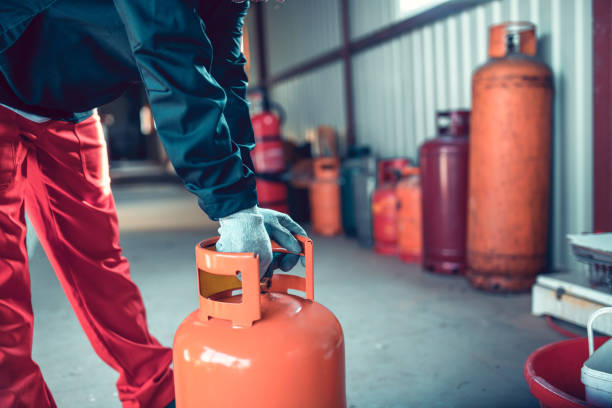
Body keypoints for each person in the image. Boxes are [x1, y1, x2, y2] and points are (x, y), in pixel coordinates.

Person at [0, 1, 306, 407]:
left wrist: (245, 199)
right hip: (7, 69)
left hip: (69, 107)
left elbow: (224, 73)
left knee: (100, 260)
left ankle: (154, 391)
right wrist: (230, 206)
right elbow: (167, 49)